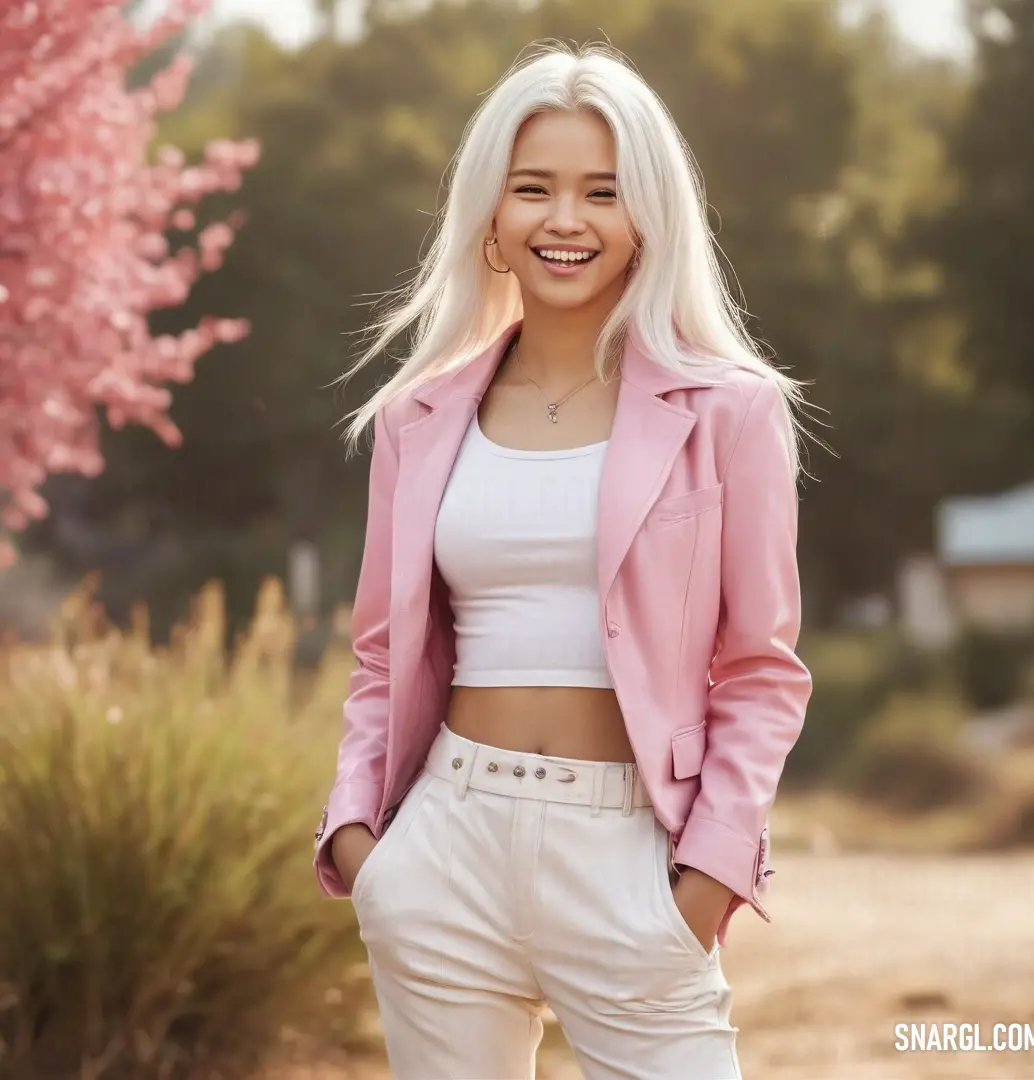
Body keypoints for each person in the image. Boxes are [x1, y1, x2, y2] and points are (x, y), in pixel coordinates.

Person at [313, 40, 813, 1080]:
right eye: (533, 188)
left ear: (647, 217)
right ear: (491, 215)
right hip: (443, 851)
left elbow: (762, 669)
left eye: (602, 191)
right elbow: (379, 655)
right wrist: (364, 847)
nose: (566, 220)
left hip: (632, 856)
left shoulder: (732, 410)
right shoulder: (419, 416)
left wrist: (706, 881)